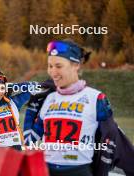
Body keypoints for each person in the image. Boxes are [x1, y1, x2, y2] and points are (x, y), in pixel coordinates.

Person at [23, 39, 123, 176]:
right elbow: (29, 140)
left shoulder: (96, 98)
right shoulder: (49, 99)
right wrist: (32, 106)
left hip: (79, 171)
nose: (53, 72)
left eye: (58, 66)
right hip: (47, 171)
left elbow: (110, 140)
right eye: (50, 66)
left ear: (76, 65)